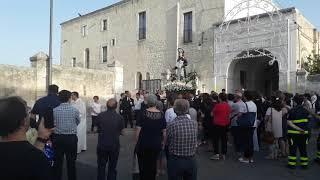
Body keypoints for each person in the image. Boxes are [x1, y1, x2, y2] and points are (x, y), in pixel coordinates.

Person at [0, 96, 54, 180]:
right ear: (23, 121)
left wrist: (41, 139)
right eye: (28, 112)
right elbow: (30, 159)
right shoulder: (36, 159)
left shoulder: (34, 157)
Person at [135, 94, 166, 180]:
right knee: (153, 164)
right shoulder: (161, 114)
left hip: (143, 143)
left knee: (143, 165)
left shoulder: (142, 113)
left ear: (147, 102)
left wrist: (136, 142)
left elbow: (138, 131)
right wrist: (163, 143)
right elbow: (164, 132)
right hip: (156, 143)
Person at [52, 90, 80, 180]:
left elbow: (53, 123)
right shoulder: (75, 110)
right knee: (71, 162)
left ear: (59, 99)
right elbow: (77, 122)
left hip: (58, 138)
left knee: (57, 162)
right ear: (69, 98)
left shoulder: (54, 110)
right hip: (71, 138)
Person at [167, 99, 198, 180]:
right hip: (191, 159)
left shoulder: (171, 125)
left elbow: (168, 141)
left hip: (176, 159)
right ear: (187, 109)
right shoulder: (194, 124)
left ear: (174, 109)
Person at [96, 98, 124, 180]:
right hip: (114, 145)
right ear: (116, 107)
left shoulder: (100, 115)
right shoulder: (119, 117)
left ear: (106, 106)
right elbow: (122, 132)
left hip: (102, 145)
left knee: (101, 166)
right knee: (112, 167)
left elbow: (97, 128)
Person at [287, 94, 311, 169]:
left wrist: (298, 128)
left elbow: (289, 122)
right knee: (303, 149)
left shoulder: (292, 110)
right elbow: (308, 120)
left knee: (293, 149)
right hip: (304, 133)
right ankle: (304, 165)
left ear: (294, 102)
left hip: (293, 134)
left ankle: (292, 164)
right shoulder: (306, 110)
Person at [210, 93, 231, 160]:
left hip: (217, 124)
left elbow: (212, 114)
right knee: (224, 139)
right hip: (226, 124)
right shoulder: (228, 105)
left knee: (216, 139)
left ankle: (217, 154)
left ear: (220, 98)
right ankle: (224, 154)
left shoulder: (218, 105)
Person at [238, 91, 257, 163]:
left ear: (245, 96)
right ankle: (251, 158)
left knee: (245, 141)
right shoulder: (254, 104)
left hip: (245, 125)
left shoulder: (244, 104)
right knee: (250, 141)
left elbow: (240, 114)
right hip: (252, 124)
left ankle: (246, 158)